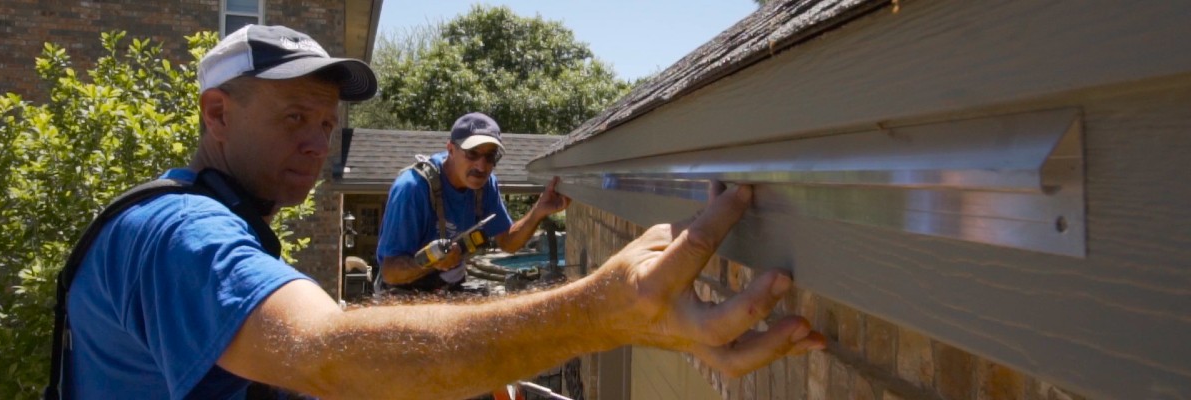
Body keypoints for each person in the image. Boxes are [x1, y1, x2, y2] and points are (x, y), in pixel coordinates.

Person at [58, 24, 826, 399]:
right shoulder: (178, 233)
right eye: (295, 117)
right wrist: (609, 312)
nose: (319, 143)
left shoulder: (222, 217)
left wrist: (478, 369)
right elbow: (323, 350)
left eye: (328, 124)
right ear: (217, 114)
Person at [375, 112, 570, 293]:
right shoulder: (412, 188)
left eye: (490, 156)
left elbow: (508, 242)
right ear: (451, 149)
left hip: (448, 289)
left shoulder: (485, 186)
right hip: (402, 294)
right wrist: (432, 262)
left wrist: (538, 212)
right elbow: (390, 272)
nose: (481, 165)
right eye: (472, 153)